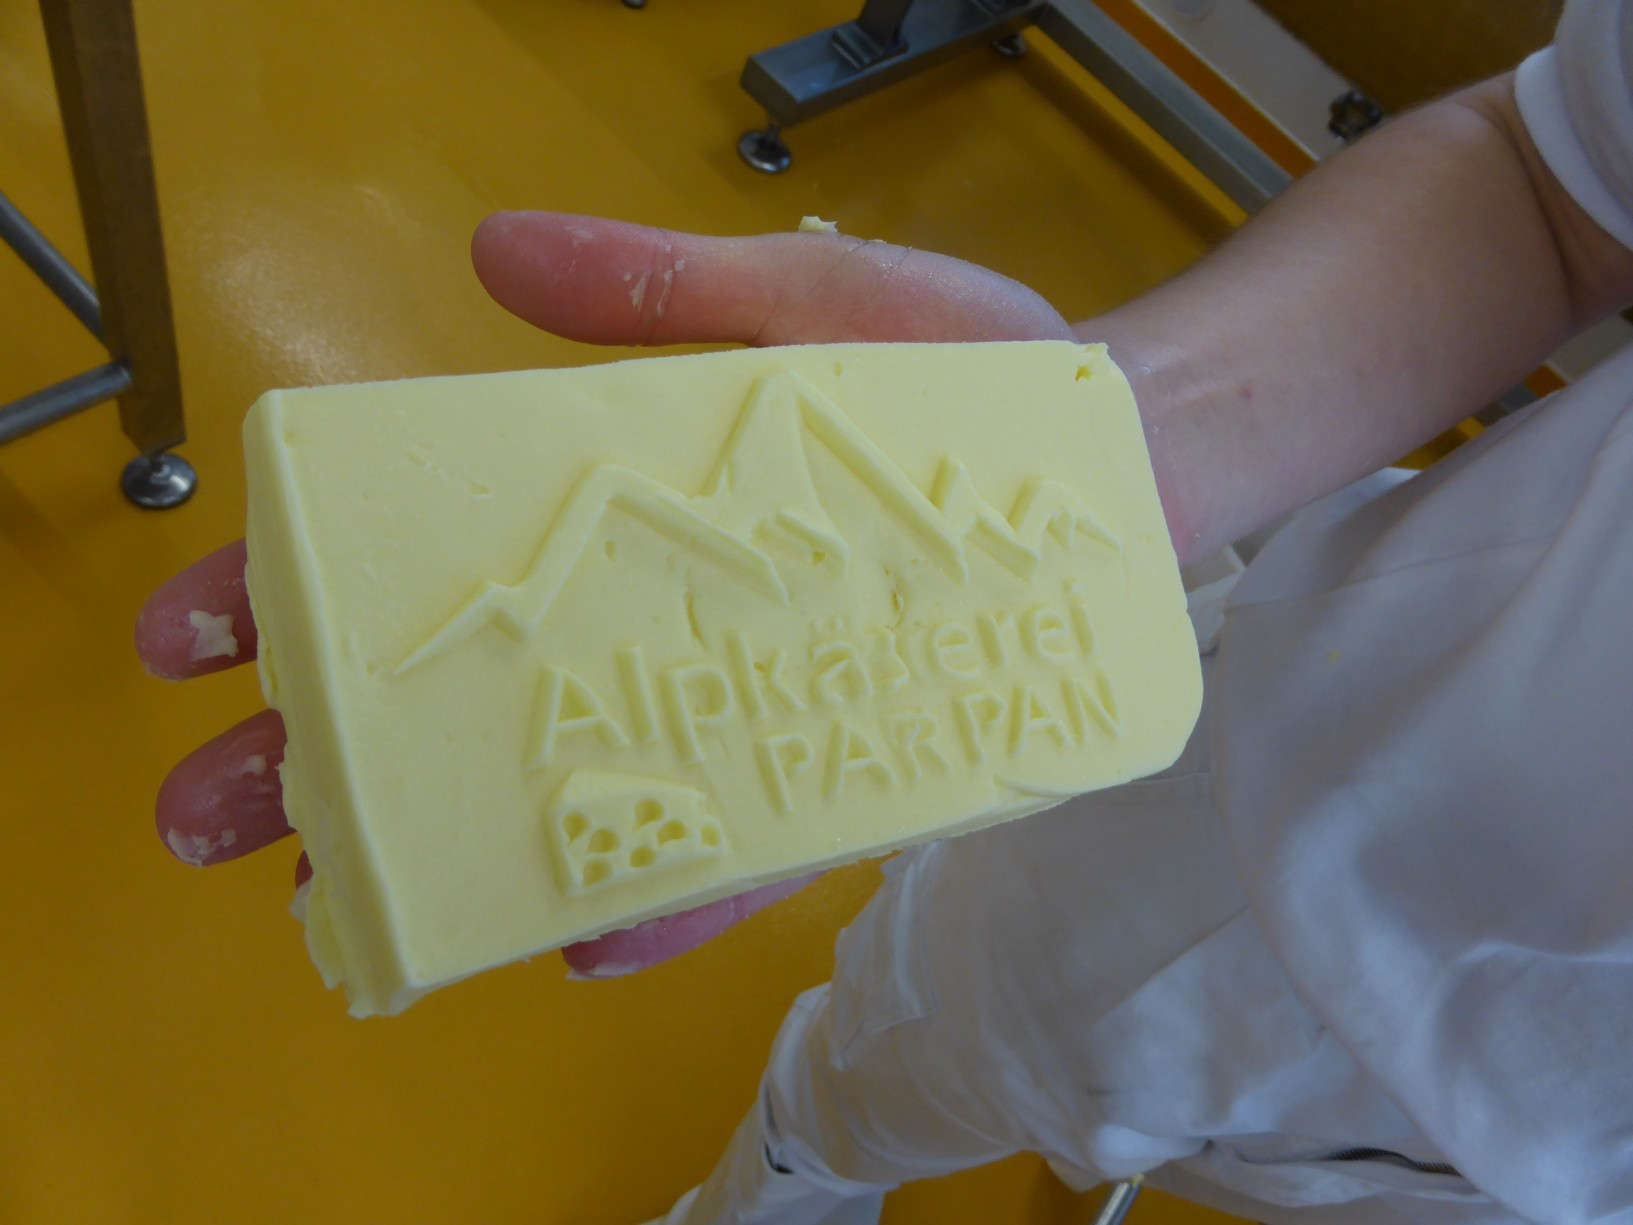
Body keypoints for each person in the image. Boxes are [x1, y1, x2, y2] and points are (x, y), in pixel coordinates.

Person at [135, 0, 1633, 1220]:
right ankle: (786, 1180)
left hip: (1529, 1159)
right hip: (1223, 772)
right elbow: (1556, 187)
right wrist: (1144, 429)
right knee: (890, 1068)